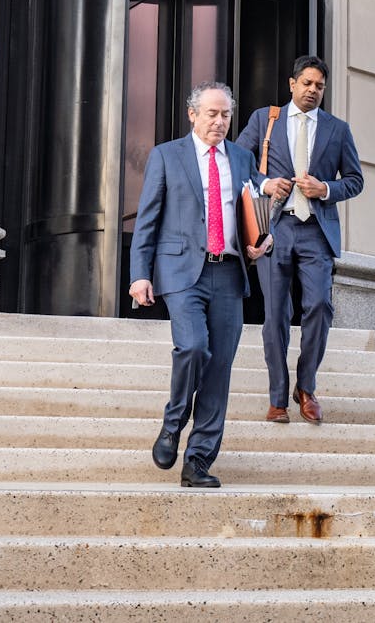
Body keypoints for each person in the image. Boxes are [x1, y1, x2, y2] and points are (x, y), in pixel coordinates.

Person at [129, 82, 269, 488]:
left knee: (219, 368)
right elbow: (148, 219)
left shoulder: (242, 160)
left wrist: (264, 239)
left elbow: (257, 212)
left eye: (225, 114)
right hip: (180, 271)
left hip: (228, 272)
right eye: (211, 113)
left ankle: (199, 461)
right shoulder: (167, 155)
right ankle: (173, 422)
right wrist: (140, 274)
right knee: (192, 346)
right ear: (193, 114)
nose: (219, 121)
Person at [237, 55, 364, 424]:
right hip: (275, 228)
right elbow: (238, 159)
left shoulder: (337, 129)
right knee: (276, 313)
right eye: (306, 83)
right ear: (292, 84)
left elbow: (355, 179)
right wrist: (264, 183)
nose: (313, 90)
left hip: (316, 230)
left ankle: (305, 387)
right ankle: (278, 397)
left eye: (319, 86)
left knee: (320, 307)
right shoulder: (265, 119)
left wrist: (326, 188)